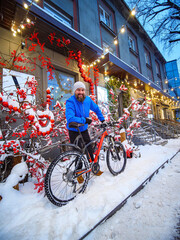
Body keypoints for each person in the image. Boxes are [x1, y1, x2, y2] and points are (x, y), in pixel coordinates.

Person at [65, 81, 105, 182]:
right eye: (78, 90)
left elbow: (96, 108)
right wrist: (84, 120)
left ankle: (93, 168)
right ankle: (78, 173)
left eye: (82, 90)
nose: (81, 92)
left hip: (83, 129)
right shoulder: (70, 101)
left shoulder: (87, 100)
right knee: (78, 152)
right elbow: (70, 118)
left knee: (89, 148)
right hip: (74, 130)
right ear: (75, 91)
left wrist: (102, 120)